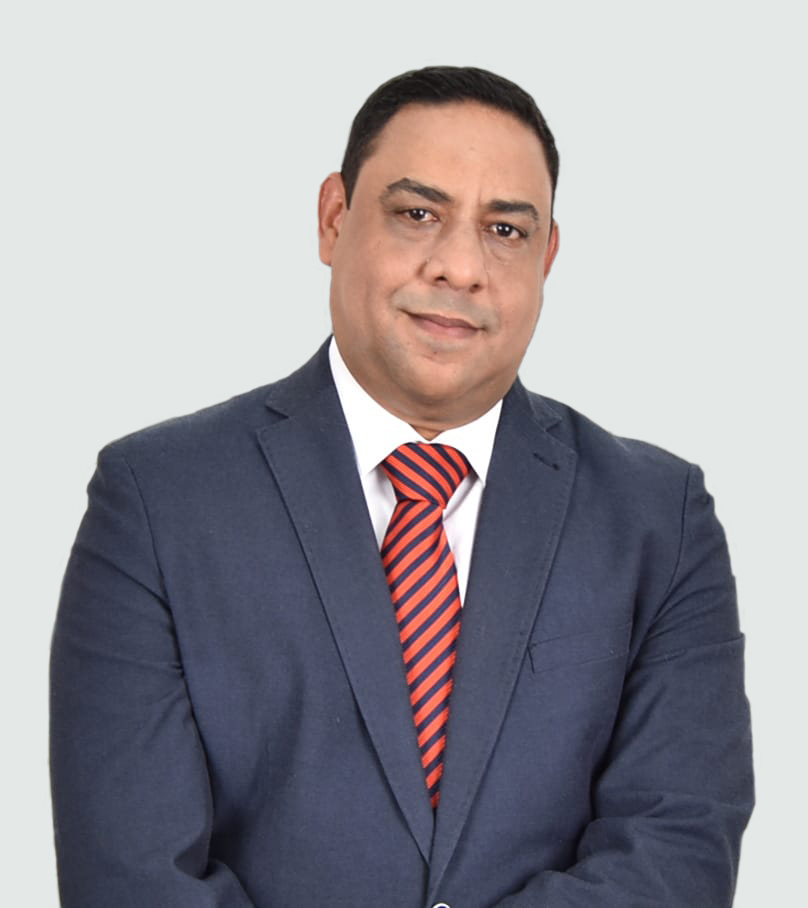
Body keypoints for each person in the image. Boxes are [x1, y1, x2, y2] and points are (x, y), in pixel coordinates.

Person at [50, 66, 754, 908]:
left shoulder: (659, 519)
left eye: (505, 230)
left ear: (548, 258)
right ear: (334, 218)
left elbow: (677, 849)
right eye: (418, 214)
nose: (460, 266)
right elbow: (132, 877)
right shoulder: (156, 501)